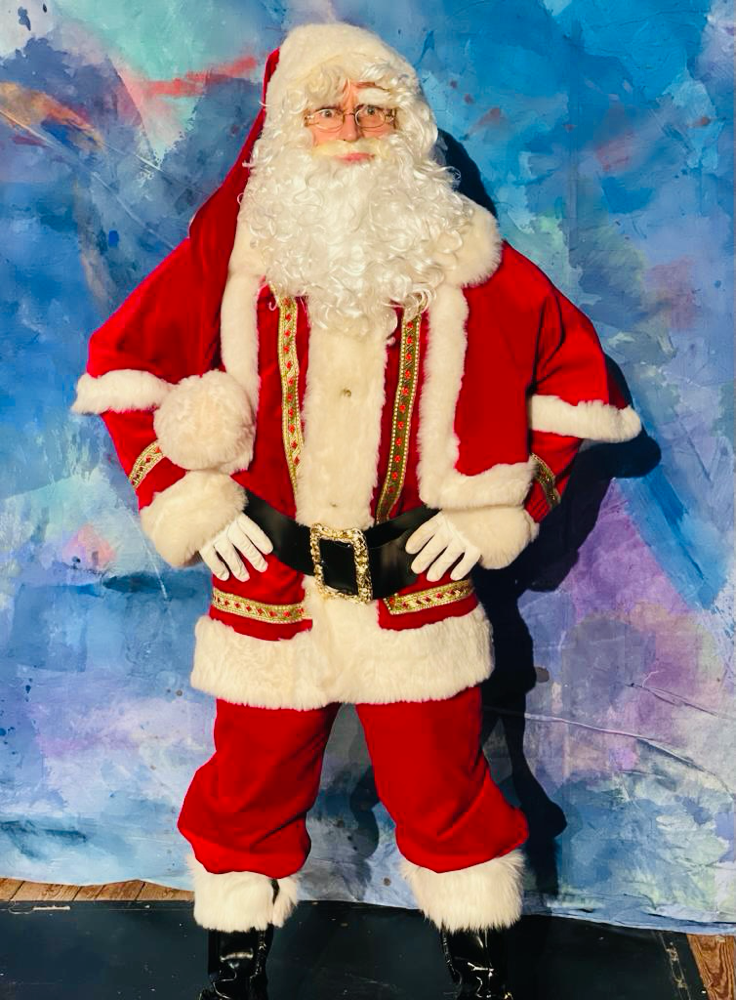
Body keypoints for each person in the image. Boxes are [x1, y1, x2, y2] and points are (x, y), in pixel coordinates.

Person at [71, 22, 641, 1000]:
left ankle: (482, 969)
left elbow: (576, 387)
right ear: (286, 127)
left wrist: (495, 510)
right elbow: (124, 369)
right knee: (248, 787)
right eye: (325, 111)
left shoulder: (468, 258)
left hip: (417, 590)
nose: (349, 129)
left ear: (406, 125)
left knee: (443, 790)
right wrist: (189, 496)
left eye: (372, 111)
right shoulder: (232, 252)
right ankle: (235, 968)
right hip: (270, 585)